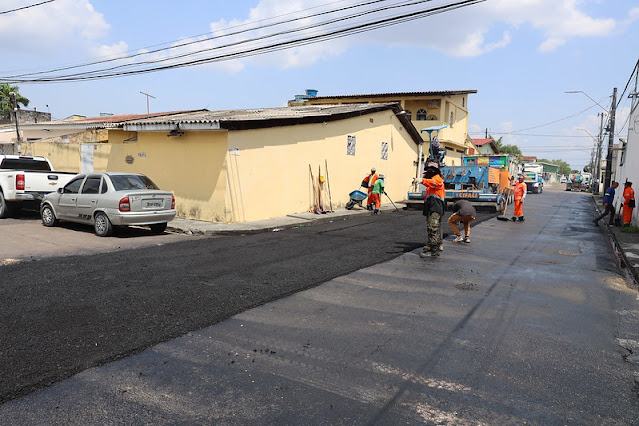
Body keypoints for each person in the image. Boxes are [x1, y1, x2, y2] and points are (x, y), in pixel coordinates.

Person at [418, 162, 445, 258]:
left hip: (435, 207)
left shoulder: (437, 179)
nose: (426, 175)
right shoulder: (431, 184)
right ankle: (433, 245)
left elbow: (434, 183)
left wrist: (422, 180)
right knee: (434, 228)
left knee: (433, 228)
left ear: (432, 171)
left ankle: (433, 250)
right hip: (432, 207)